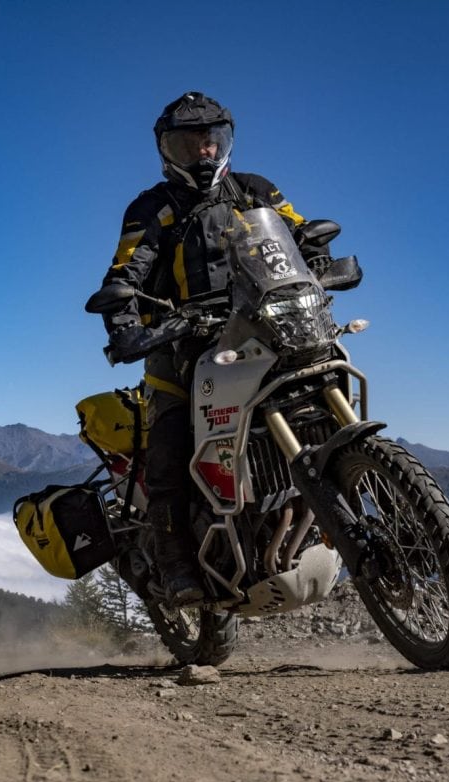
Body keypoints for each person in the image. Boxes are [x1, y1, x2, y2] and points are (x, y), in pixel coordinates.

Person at [92, 92, 329, 607]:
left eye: (210, 140)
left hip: (262, 330)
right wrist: (126, 323)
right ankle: (177, 567)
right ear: (167, 149)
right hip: (180, 346)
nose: (202, 152)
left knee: (318, 387)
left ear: (224, 141)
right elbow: (125, 270)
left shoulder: (255, 190)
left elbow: (298, 234)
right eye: (188, 142)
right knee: (170, 448)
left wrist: (321, 257)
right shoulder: (152, 207)